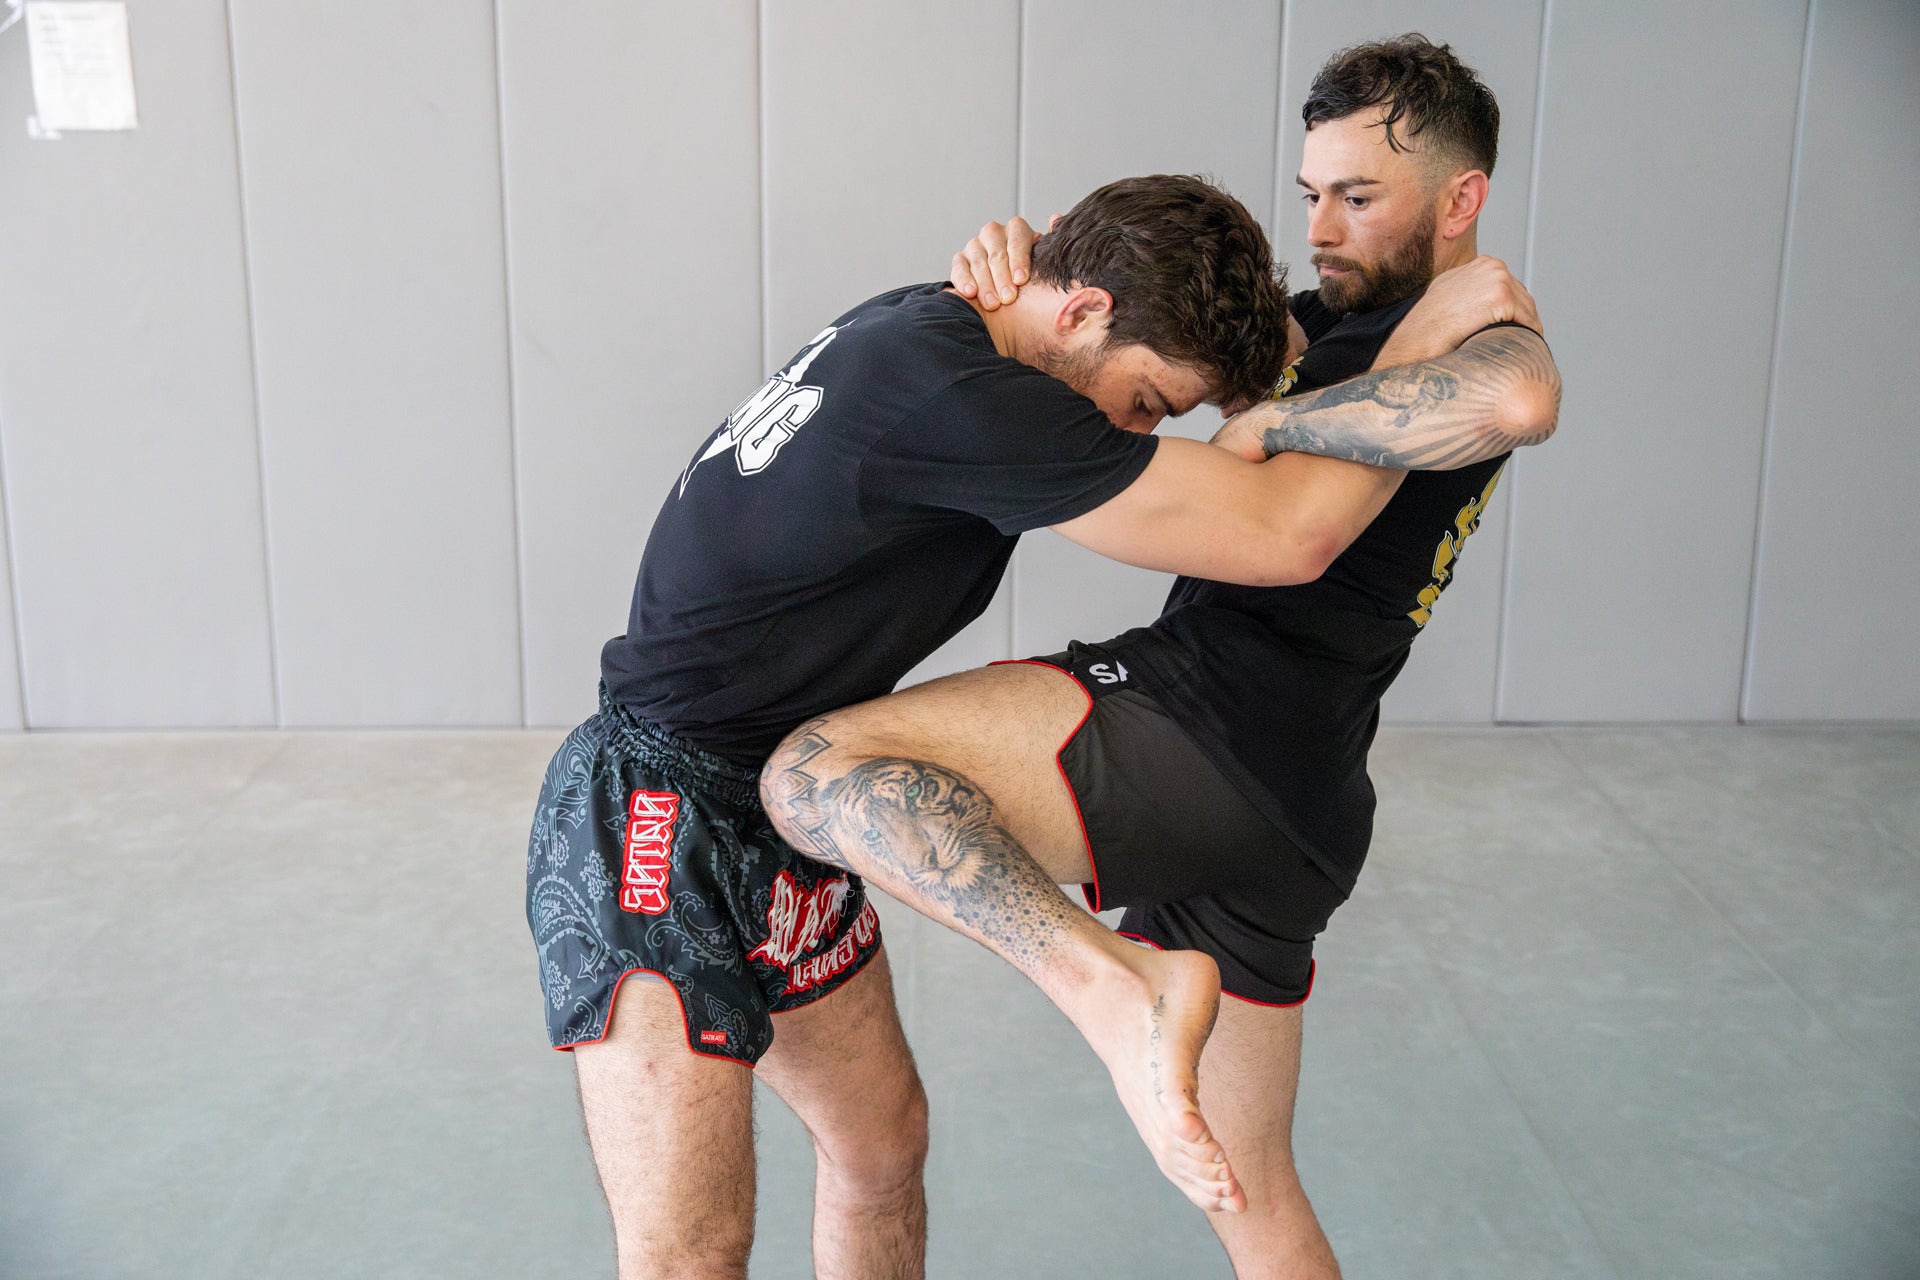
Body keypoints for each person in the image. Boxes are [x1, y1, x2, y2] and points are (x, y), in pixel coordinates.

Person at [527, 172, 1537, 1278]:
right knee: (690, 1249)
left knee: (882, 1146)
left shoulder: (959, 322)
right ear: (1083, 312)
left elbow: (1199, 292)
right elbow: (1282, 535)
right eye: (1148, 401)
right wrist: (1414, 352)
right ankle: (1110, 987)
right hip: (655, 813)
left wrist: (1047, 245)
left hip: (773, 804)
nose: (1141, 430)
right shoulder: (965, 399)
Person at [758, 36, 1555, 1277]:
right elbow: (1154, 327)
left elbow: (1517, 405)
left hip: (1208, 725)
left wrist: (1284, 424)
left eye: (1361, 197)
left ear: (1462, 200)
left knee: (815, 766)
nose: (1328, 227)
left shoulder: (1489, 329)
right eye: (1313, 195)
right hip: (1303, 802)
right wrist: (1019, 267)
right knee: (1251, 1190)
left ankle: (1116, 985)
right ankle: (1139, 988)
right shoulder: (1317, 325)